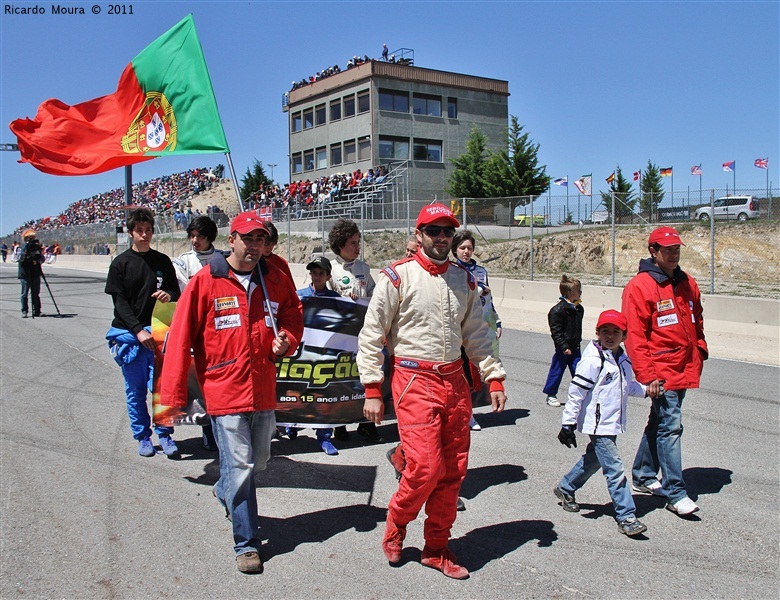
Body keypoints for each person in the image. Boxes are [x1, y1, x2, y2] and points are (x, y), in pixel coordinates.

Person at [357, 203, 507, 579]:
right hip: (412, 379)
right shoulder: (396, 276)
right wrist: (372, 387)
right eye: (434, 230)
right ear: (419, 233)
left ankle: (437, 548)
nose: (441, 238)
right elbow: (372, 334)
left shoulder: (465, 279)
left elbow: (477, 334)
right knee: (425, 468)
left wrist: (494, 377)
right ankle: (395, 528)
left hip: (454, 380)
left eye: (447, 232)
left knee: (453, 471)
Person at [160, 211, 303, 574]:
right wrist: (173, 396)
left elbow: (292, 314)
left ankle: (224, 488)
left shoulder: (274, 278)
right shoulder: (206, 281)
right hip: (224, 392)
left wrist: (286, 342)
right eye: (247, 239)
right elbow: (178, 339)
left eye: (260, 240)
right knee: (241, 466)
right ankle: (247, 542)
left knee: (257, 463)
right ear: (232, 240)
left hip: (263, 389)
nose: (254, 246)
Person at [622, 226, 708, 516]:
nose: (673, 254)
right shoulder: (640, 287)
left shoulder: (687, 283)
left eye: (677, 249)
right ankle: (675, 491)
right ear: (653, 252)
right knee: (671, 426)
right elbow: (634, 336)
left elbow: (696, 319)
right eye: (667, 249)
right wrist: (647, 377)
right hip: (661, 370)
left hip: (684, 365)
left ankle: (644, 475)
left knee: (659, 422)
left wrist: (701, 348)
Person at [554, 310, 661, 536]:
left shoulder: (621, 359)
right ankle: (626, 516)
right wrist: (568, 423)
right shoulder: (593, 360)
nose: (610, 336)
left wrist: (648, 391)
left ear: (624, 336)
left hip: (611, 423)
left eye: (615, 332)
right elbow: (576, 392)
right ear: (597, 333)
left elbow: (626, 387)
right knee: (614, 469)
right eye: (605, 331)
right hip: (598, 425)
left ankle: (565, 487)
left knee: (594, 460)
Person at [104, 208, 180, 458]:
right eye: (139, 231)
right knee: (135, 390)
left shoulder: (162, 261)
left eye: (148, 230)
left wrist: (169, 295)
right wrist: (137, 331)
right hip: (131, 337)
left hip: (159, 334)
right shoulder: (121, 263)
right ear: (130, 233)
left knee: (162, 389)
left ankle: (166, 435)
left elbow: (175, 292)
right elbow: (120, 303)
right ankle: (143, 436)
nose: (145, 235)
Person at [171, 215, 223, 451]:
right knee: (200, 382)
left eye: (200, 236)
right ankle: (206, 428)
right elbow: (178, 295)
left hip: (221, 329)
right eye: (192, 236)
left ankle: (221, 427)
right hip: (195, 330)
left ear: (210, 237)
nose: (194, 240)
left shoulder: (223, 260)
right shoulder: (182, 262)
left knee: (220, 381)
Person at [327, 218, 379, 442]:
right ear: (340, 245)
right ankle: (339, 425)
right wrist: (343, 299)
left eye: (358, 242)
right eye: (353, 243)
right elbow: (319, 299)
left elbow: (377, 297)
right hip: (339, 335)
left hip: (363, 334)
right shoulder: (329, 269)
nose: (358, 247)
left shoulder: (364, 268)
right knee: (340, 380)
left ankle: (366, 423)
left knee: (364, 376)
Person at [289, 255, 342, 455]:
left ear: (328, 276)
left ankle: (324, 437)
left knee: (322, 395)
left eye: (321, 273)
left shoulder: (337, 300)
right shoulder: (298, 295)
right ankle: (291, 425)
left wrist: (354, 302)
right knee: (295, 391)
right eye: (313, 272)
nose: (316, 276)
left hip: (324, 357)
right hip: (301, 354)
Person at [452, 230, 503, 431]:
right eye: (462, 248)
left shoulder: (481, 271)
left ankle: (469, 413)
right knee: (459, 374)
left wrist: (496, 322)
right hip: (457, 329)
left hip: (479, 327)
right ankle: (461, 413)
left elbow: (488, 301)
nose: (466, 251)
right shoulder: (452, 269)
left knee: (475, 374)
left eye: (469, 248)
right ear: (454, 250)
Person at [542, 275, 584, 407]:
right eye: (578, 290)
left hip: (575, 347)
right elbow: (556, 332)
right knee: (557, 370)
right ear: (569, 293)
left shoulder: (579, 308)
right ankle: (551, 394)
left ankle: (582, 394)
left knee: (579, 371)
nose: (581, 292)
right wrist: (564, 346)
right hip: (563, 348)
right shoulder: (557, 310)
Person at [18, 229, 44, 318]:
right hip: (25, 273)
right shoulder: (21, 247)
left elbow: (42, 258)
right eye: (30, 238)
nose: (32, 239)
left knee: (35, 293)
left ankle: (37, 311)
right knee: (24, 293)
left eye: (33, 237)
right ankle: (24, 310)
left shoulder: (36, 247)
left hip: (35, 271)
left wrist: (38, 261)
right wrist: (26, 251)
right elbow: (20, 259)